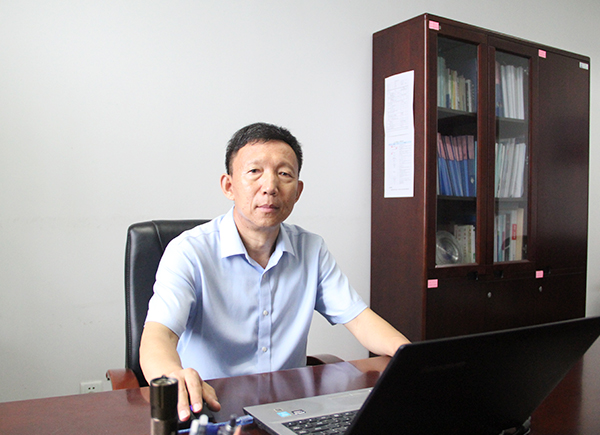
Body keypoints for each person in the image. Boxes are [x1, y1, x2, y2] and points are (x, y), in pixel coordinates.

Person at [139, 122, 410, 422]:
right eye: (254, 171)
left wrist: (413, 359)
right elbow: (158, 336)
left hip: (289, 413)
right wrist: (172, 376)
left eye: (284, 174)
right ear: (228, 186)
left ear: (298, 191)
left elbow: (359, 320)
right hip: (210, 410)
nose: (270, 186)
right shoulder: (189, 252)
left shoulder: (311, 249)